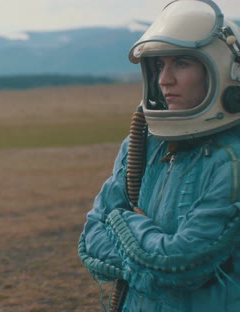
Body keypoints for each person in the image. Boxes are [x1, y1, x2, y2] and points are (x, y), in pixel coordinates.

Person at [78, 0, 240, 311]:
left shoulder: (231, 159)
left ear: (221, 69)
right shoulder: (141, 143)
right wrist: (146, 257)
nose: (164, 79)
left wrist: (120, 220)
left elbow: (180, 264)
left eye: (181, 63)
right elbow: (90, 242)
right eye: (159, 65)